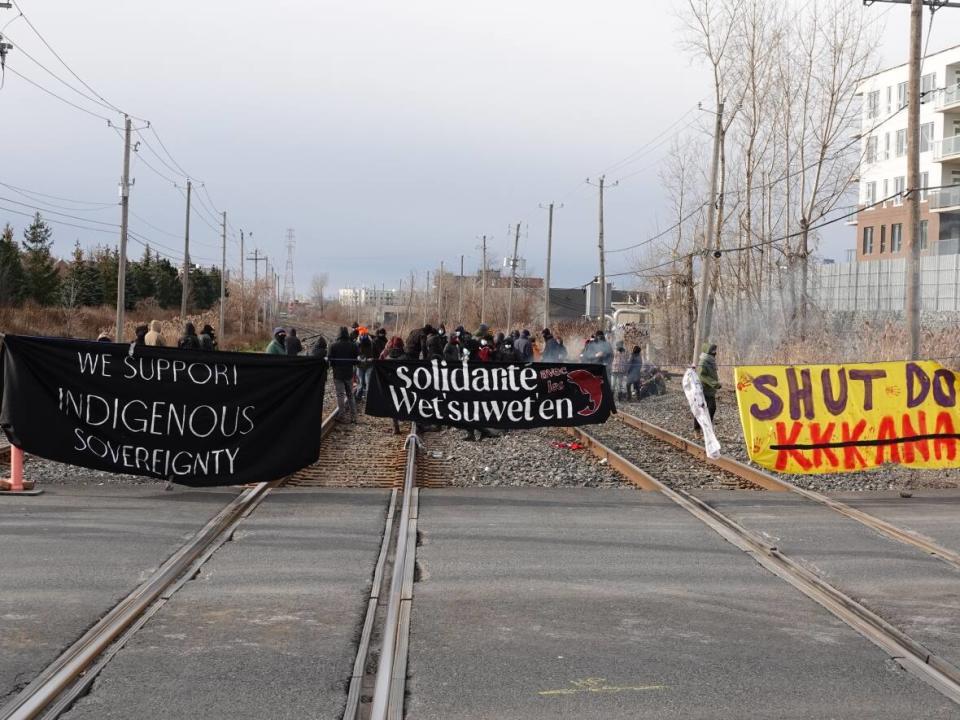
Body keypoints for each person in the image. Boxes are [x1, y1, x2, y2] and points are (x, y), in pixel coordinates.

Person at [329, 326, 358, 423]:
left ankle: (341, 415)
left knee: (340, 395)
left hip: (337, 374)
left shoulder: (333, 345)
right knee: (350, 395)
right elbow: (356, 361)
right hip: (349, 374)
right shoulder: (353, 345)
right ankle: (354, 417)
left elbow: (330, 360)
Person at [380, 336, 406, 434]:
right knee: (403, 401)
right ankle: (403, 416)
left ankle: (396, 427)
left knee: (393, 404)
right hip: (403, 384)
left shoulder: (387, 358)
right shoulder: (405, 357)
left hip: (391, 384)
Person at [695, 342, 720, 430]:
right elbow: (702, 375)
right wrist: (714, 383)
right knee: (700, 409)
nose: (714, 352)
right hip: (703, 389)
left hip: (710, 390)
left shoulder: (711, 360)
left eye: (715, 350)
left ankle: (707, 427)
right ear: (707, 351)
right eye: (712, 350)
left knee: (712, 408)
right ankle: (697, 429)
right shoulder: (704, 361)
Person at [355, 332, 376, 401]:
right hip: (360, 365)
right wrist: (357, 357)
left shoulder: (372, 344)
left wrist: (371, 358)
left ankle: (368, 398)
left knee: (368, 382)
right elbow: (354, 352)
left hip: (369, 365)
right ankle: (359, 396)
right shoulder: (357, 343)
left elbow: (375, 353)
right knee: (361, 382)